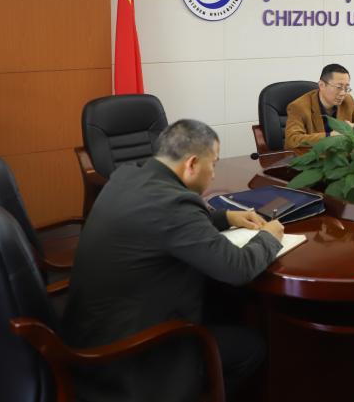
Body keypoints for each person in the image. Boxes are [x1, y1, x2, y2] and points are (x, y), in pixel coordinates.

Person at [62, 120, 285, 402]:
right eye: (213, 164)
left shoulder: (127, 176)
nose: (214, 174)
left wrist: (226, 217)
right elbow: (237, 268)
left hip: (91, 333)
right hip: (128, 358)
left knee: (222, 301)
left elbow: (164, 225)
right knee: (251, 347)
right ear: (192, 164)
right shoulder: (175, 204)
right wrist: (269, 237)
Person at [284, 63, 354, 148]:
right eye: (339, 87)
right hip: (314, 154)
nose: (343, 93)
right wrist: (330, 136)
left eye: (346, 88)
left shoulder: (347, 100)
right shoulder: (299, 107)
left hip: (342, 153)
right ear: (322, 85)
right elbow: (292, 140)